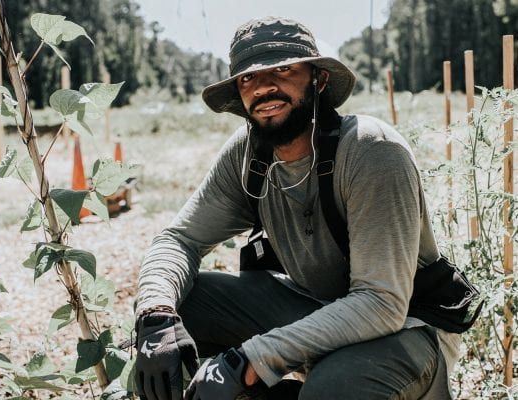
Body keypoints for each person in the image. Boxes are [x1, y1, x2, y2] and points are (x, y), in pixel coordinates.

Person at [134, 16, 461, 400]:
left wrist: (249, 361)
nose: (264, 87)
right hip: (315, 310)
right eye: (248, 78)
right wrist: (156, 314)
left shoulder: (371, 150)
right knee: (176, 313)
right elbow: (180, 239)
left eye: (284, 69)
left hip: (406, 329)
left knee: (335, 387)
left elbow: (382, 304)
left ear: (319, 80)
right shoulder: (247, 155)